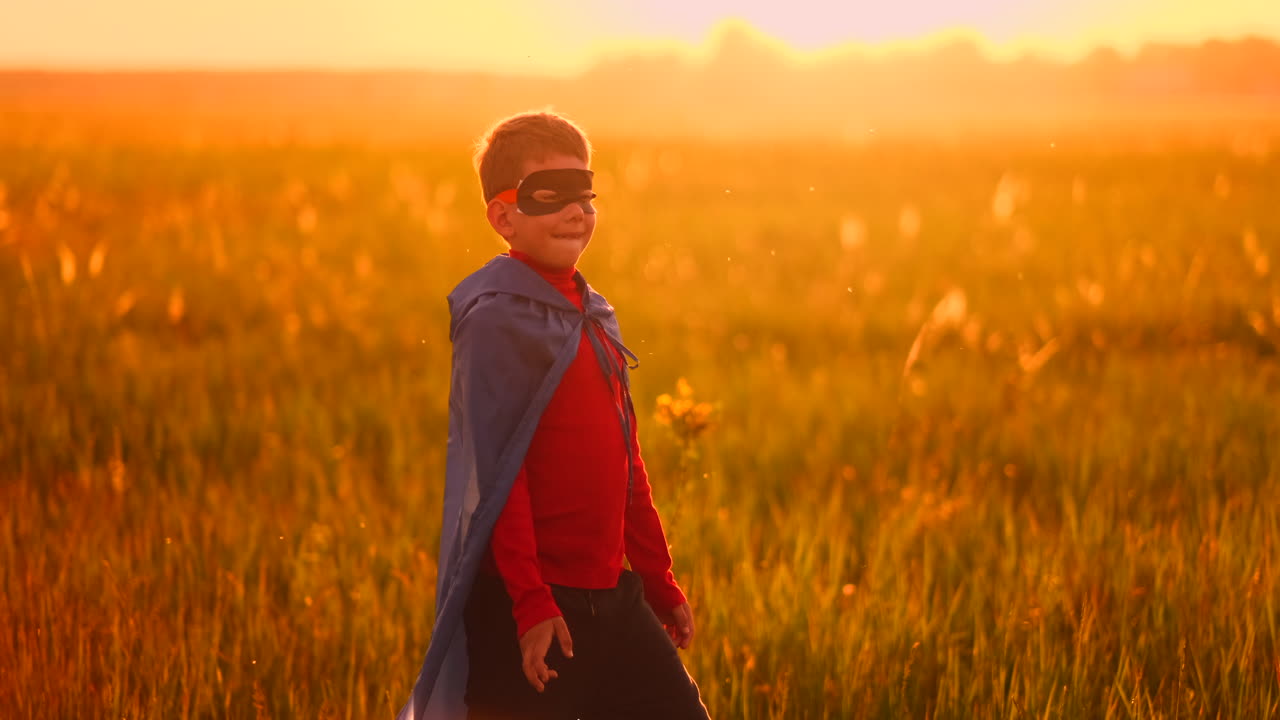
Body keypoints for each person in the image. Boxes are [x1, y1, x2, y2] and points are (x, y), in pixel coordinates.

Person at [397, 110, 709, 720]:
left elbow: (627, 459)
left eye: (584, 194)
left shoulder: (594, 315)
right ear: (503, 215)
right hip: (525, 605)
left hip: (613, 600)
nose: (575, 211)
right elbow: (498, 476)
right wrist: (532, 603)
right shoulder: (495, 320)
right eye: (551, 195)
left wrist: (655, 575)